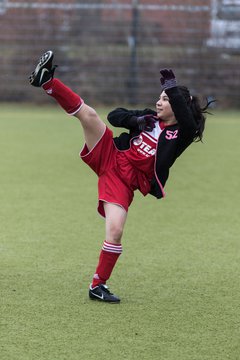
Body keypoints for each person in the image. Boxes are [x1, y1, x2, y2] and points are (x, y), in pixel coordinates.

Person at [29, 51, 211, 303]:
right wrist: (136, 119)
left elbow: (189, 121)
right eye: (159, 98)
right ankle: (47, 82)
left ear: (179, 105)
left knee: (115, 231)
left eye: (165, 99)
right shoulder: (149, 117)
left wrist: (172, 87)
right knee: (90, 115)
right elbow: (115, 115)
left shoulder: (180, 134)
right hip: (110, 155)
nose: (159, 103)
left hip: (123, 181)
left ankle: (97, 286)